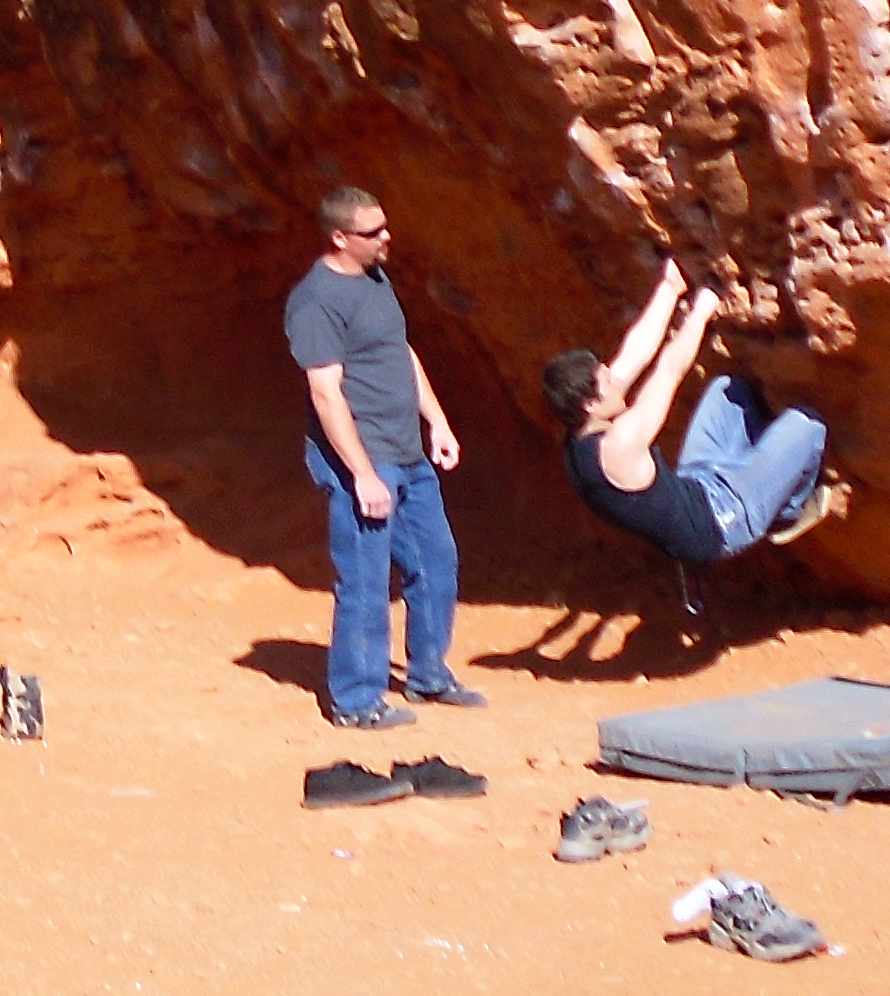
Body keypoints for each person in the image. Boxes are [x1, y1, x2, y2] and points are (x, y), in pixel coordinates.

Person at [283, 183, 480, 730]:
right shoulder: (315, 302)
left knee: (436, 560)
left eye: (385, 227)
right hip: (364, 461)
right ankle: (356, 700)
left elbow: (400, 352)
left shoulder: (375, 277)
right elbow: (326, 394)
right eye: (373, 232)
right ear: (340, 238)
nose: (386, 238)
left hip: (407, 451)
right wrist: (362, 475)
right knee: (366, 580)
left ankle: (429, 674)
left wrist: (436, 420)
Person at [542, 259, 846, 565]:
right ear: (590, 405)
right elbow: (670, 370)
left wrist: (670, 287)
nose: (614, 377)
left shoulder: (580, 430)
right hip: (723, 521)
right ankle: (789, 512)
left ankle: (764, 474)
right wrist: (702, 310)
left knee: (729, 390)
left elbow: (634, 353)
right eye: (607, 381)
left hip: (697, 484)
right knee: (807, 424)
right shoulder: (619, 445)